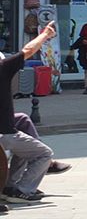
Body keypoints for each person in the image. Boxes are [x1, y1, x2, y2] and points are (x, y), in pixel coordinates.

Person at [0, 23, 56, 203]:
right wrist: (45, 34)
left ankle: (9, 186)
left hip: (7, 130)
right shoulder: (2, 67)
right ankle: (22, 189)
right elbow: (28, 50)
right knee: (44, 153)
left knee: (23, 123)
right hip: (4, 133)